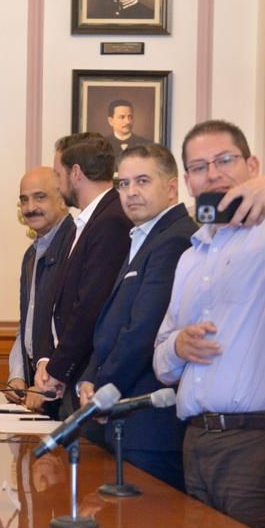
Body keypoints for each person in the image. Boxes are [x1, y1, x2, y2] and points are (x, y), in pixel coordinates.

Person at [153, 119, 265, 528]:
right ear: (188, 182)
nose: (213, 174)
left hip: (259, 442)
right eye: (199, 167)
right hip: (195, 441)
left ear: (253, 166)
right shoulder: (191, 257)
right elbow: (162, 362)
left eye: (225, 160)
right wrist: (178, 346)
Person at [75, 145, 196, 490]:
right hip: (122, 417)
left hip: (147, 425)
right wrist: (88, 379)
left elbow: (142, 332)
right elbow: (111, 324)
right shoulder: (144, 236)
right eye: (124, 184)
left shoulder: (174, 240)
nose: (130, 192)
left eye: (142, 181)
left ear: (171, 187)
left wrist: (101, 388)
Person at [28, 133, 132, 417]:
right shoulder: (86, 221)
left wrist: (58, 370)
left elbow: (90, 306)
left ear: (75, 173)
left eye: (58, 174)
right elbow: (60, 302)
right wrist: (49, 362)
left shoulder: (111, 220)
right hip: (69, 374)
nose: (57, 183)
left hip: (88, 379)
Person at [6, 167, 74, 396]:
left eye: (40, 197)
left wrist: (48, 383)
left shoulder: (75, 246)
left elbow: (75, 325)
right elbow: (28, 322)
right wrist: (17, 375)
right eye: (24, 200)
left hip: (60, 387)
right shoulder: (31, 254)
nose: (30, 208)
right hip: (35, 384)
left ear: (62, 199)